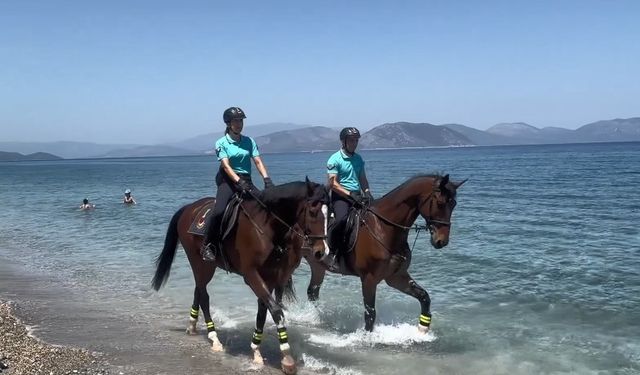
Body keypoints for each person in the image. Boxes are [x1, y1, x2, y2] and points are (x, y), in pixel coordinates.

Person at [201, 107, 274, 261]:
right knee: (219, 211)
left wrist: (267, 180)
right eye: (236, 121)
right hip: (228, 181)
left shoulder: (249, 141)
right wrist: (238, 181)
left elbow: (258, 161)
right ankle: (208, 245)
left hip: (246, 180)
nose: (239, 124)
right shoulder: (222, 143)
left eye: (241, 121)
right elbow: (226, 166)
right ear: (228, 123)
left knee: (266, 206)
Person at [325, 127, 373, 263]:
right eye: (351, 140)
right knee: (342, 220)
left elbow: (362, 179)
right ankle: (333, 251)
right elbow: (333, 183)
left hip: (357, 194)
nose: (354, 143)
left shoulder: (358, 159)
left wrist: (368, 193)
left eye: (356, 140)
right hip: (341, 196)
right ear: (343, 141)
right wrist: (350, 194)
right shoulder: (334, 159)